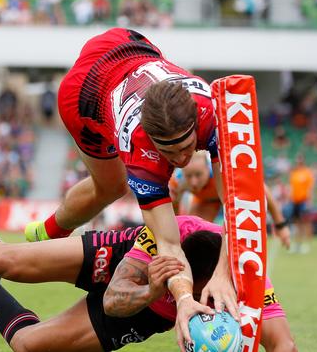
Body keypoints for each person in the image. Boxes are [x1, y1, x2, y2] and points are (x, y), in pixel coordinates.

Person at [22, 28, 237, 339]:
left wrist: (222, 274)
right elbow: (168, 243)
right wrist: (185, 299)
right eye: (168, 151)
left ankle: (50, 234)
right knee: (110, 187)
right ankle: (51, 232)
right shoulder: (139, 151)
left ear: (196, 124)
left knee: (230, 187)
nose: (180, 160)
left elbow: (236, 204)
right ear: (151, 142)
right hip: (86, 90)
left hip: (128, 44)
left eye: (187, 146)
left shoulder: (215, 113)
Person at [0, 215, 297, 352]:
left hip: (149, 311)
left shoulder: (253, 287)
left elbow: (284, 346)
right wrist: (160, 291)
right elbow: (116, 300)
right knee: (9, 260)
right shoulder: (173, 237)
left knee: (29, 346)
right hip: (128, 269)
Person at [169, 151, 291, 249]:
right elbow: (175, 216)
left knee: (241, 239)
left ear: (208, 168)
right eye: (189, 176)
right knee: (193, 239)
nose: (194, 182)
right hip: (205, 202)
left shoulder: (224, 172)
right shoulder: (177, 181)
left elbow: (261, 188)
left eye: (198, 174)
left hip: (232, 197)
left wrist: (280, 225)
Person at [289, 154, 315, 253]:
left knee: (305, 223)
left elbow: (310, 188)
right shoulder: (294, 173)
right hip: (295, 201)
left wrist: (309, 201)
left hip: (304, 201)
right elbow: (292, 187)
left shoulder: (307, 173)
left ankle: (306, 244)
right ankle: (297, 244)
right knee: (296, 223)